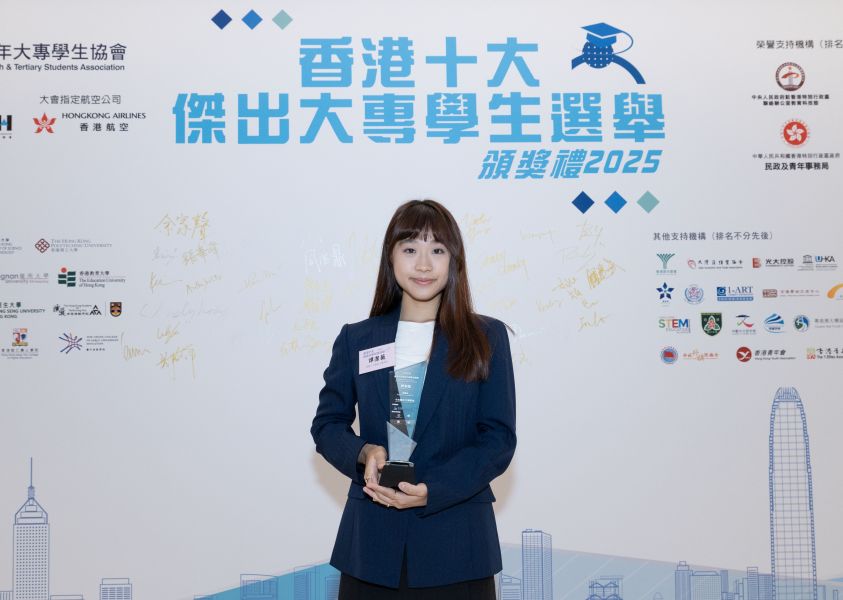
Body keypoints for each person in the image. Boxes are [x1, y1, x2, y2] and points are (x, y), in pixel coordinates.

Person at [311, 199, 517, 599]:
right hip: (371, 548)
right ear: (390, 257)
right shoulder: (358, 338)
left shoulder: (486, 338)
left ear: (454, 260)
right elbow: (327, 425)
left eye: (437, 250)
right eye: (410, 249)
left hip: (457, 544)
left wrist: (433, 489)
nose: (423, 264)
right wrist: (363, 452)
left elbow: (497, 440)